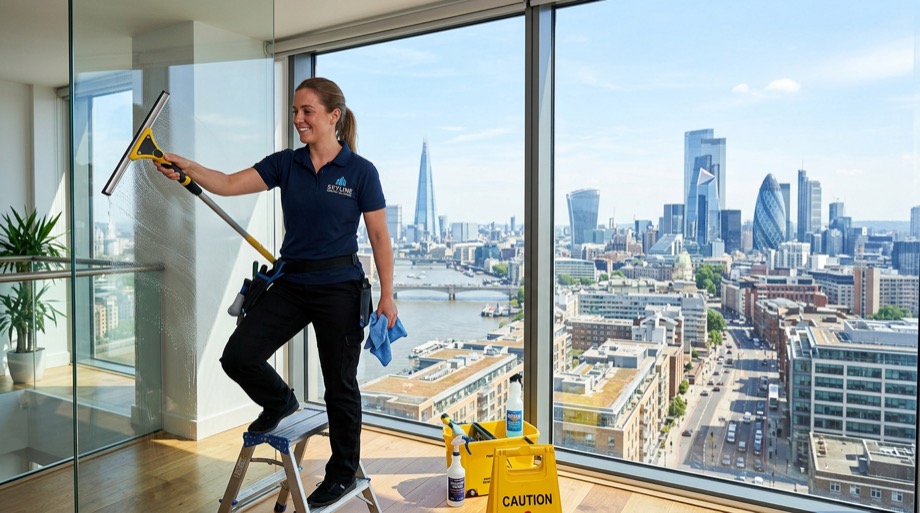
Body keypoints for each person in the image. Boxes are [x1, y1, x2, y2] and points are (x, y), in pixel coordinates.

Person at [154, 77, 397, 507]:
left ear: (333, 116)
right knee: (238, 356)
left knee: (340, 386)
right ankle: (280, 400)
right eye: (295, 112)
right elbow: (228, 182)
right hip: (291, 282)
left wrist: (387, 295)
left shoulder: (360, 172)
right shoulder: (286, 163)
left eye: (307, 111)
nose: (298, 119)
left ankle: (341, 474)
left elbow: (379, 237)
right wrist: (187, 168)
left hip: (339, 287)